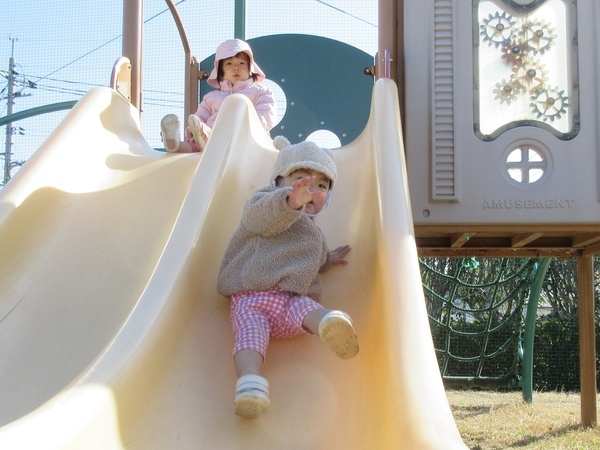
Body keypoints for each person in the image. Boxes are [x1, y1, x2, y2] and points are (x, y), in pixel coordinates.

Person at [217, 135, 359, 419]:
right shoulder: (264, 203)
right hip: (252, 298)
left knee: (308, 308)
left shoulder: (313, 232)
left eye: (321, 185)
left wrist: (328, 258)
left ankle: (330, 324)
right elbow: (259, 217)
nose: (312, 190)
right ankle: (249, 384)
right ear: (278, 181)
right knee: (250, 337)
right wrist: (289, 202)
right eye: (301, 179)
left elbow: (314, 260)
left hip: (290, 305)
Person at [161, 39, 277, 153]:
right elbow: (200, 117)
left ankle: (206, 139)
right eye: (229, 64)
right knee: (194, 145)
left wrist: (249, 127)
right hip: (214, 136)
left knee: (209, 138)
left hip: (247, 138)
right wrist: (192, 129)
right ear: (221, 72)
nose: (236, 67)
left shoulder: (261, 92)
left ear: (251, 69)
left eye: (242, 63)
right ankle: (175, 144)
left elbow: (267, 113)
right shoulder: (211, 98)